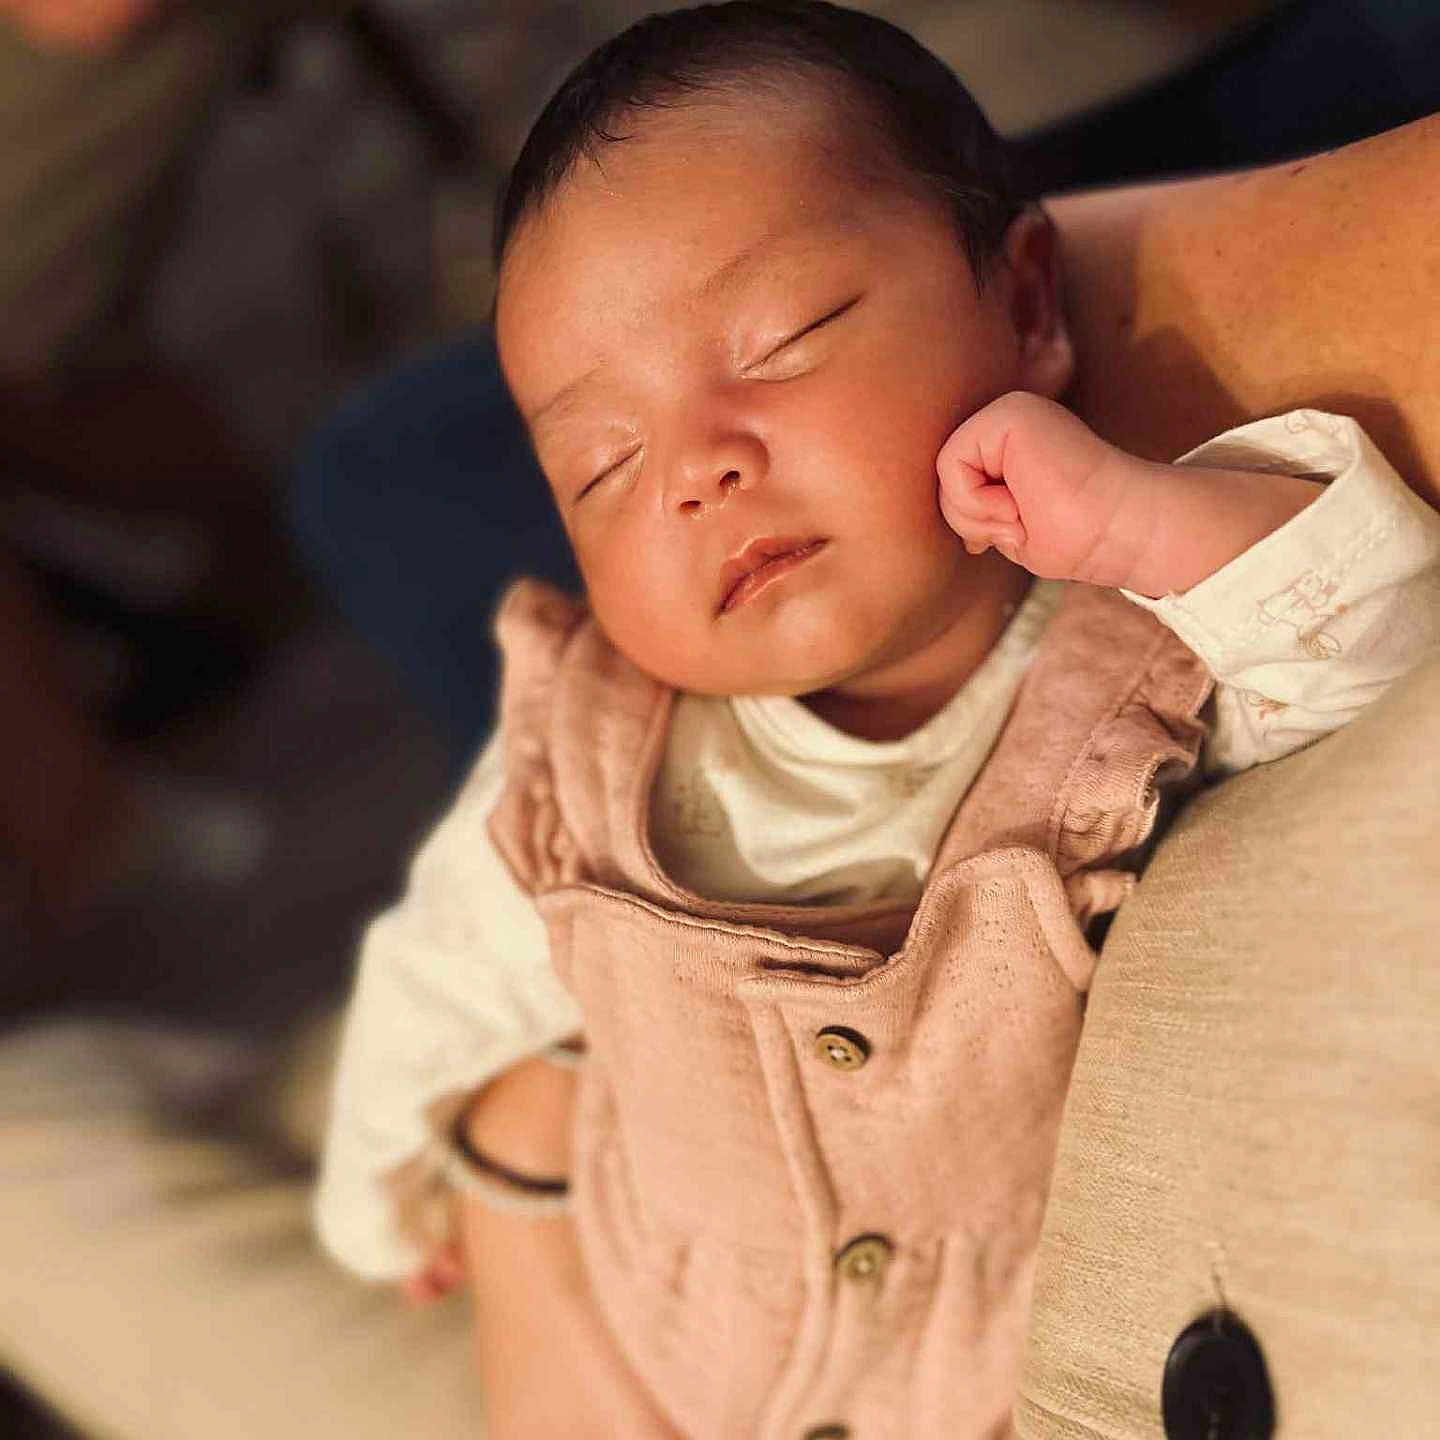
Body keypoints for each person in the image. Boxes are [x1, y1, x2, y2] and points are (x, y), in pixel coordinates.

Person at [315, 4, 1440, 1436]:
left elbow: (1385, 679)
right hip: (660, 1345)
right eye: (603, 464)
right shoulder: (583, 757)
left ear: (1029, 305)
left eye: (783, 341)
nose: (697, 471)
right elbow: (435, 984)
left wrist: (1160, 526)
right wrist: (386, 1209)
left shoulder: (1143, 655)